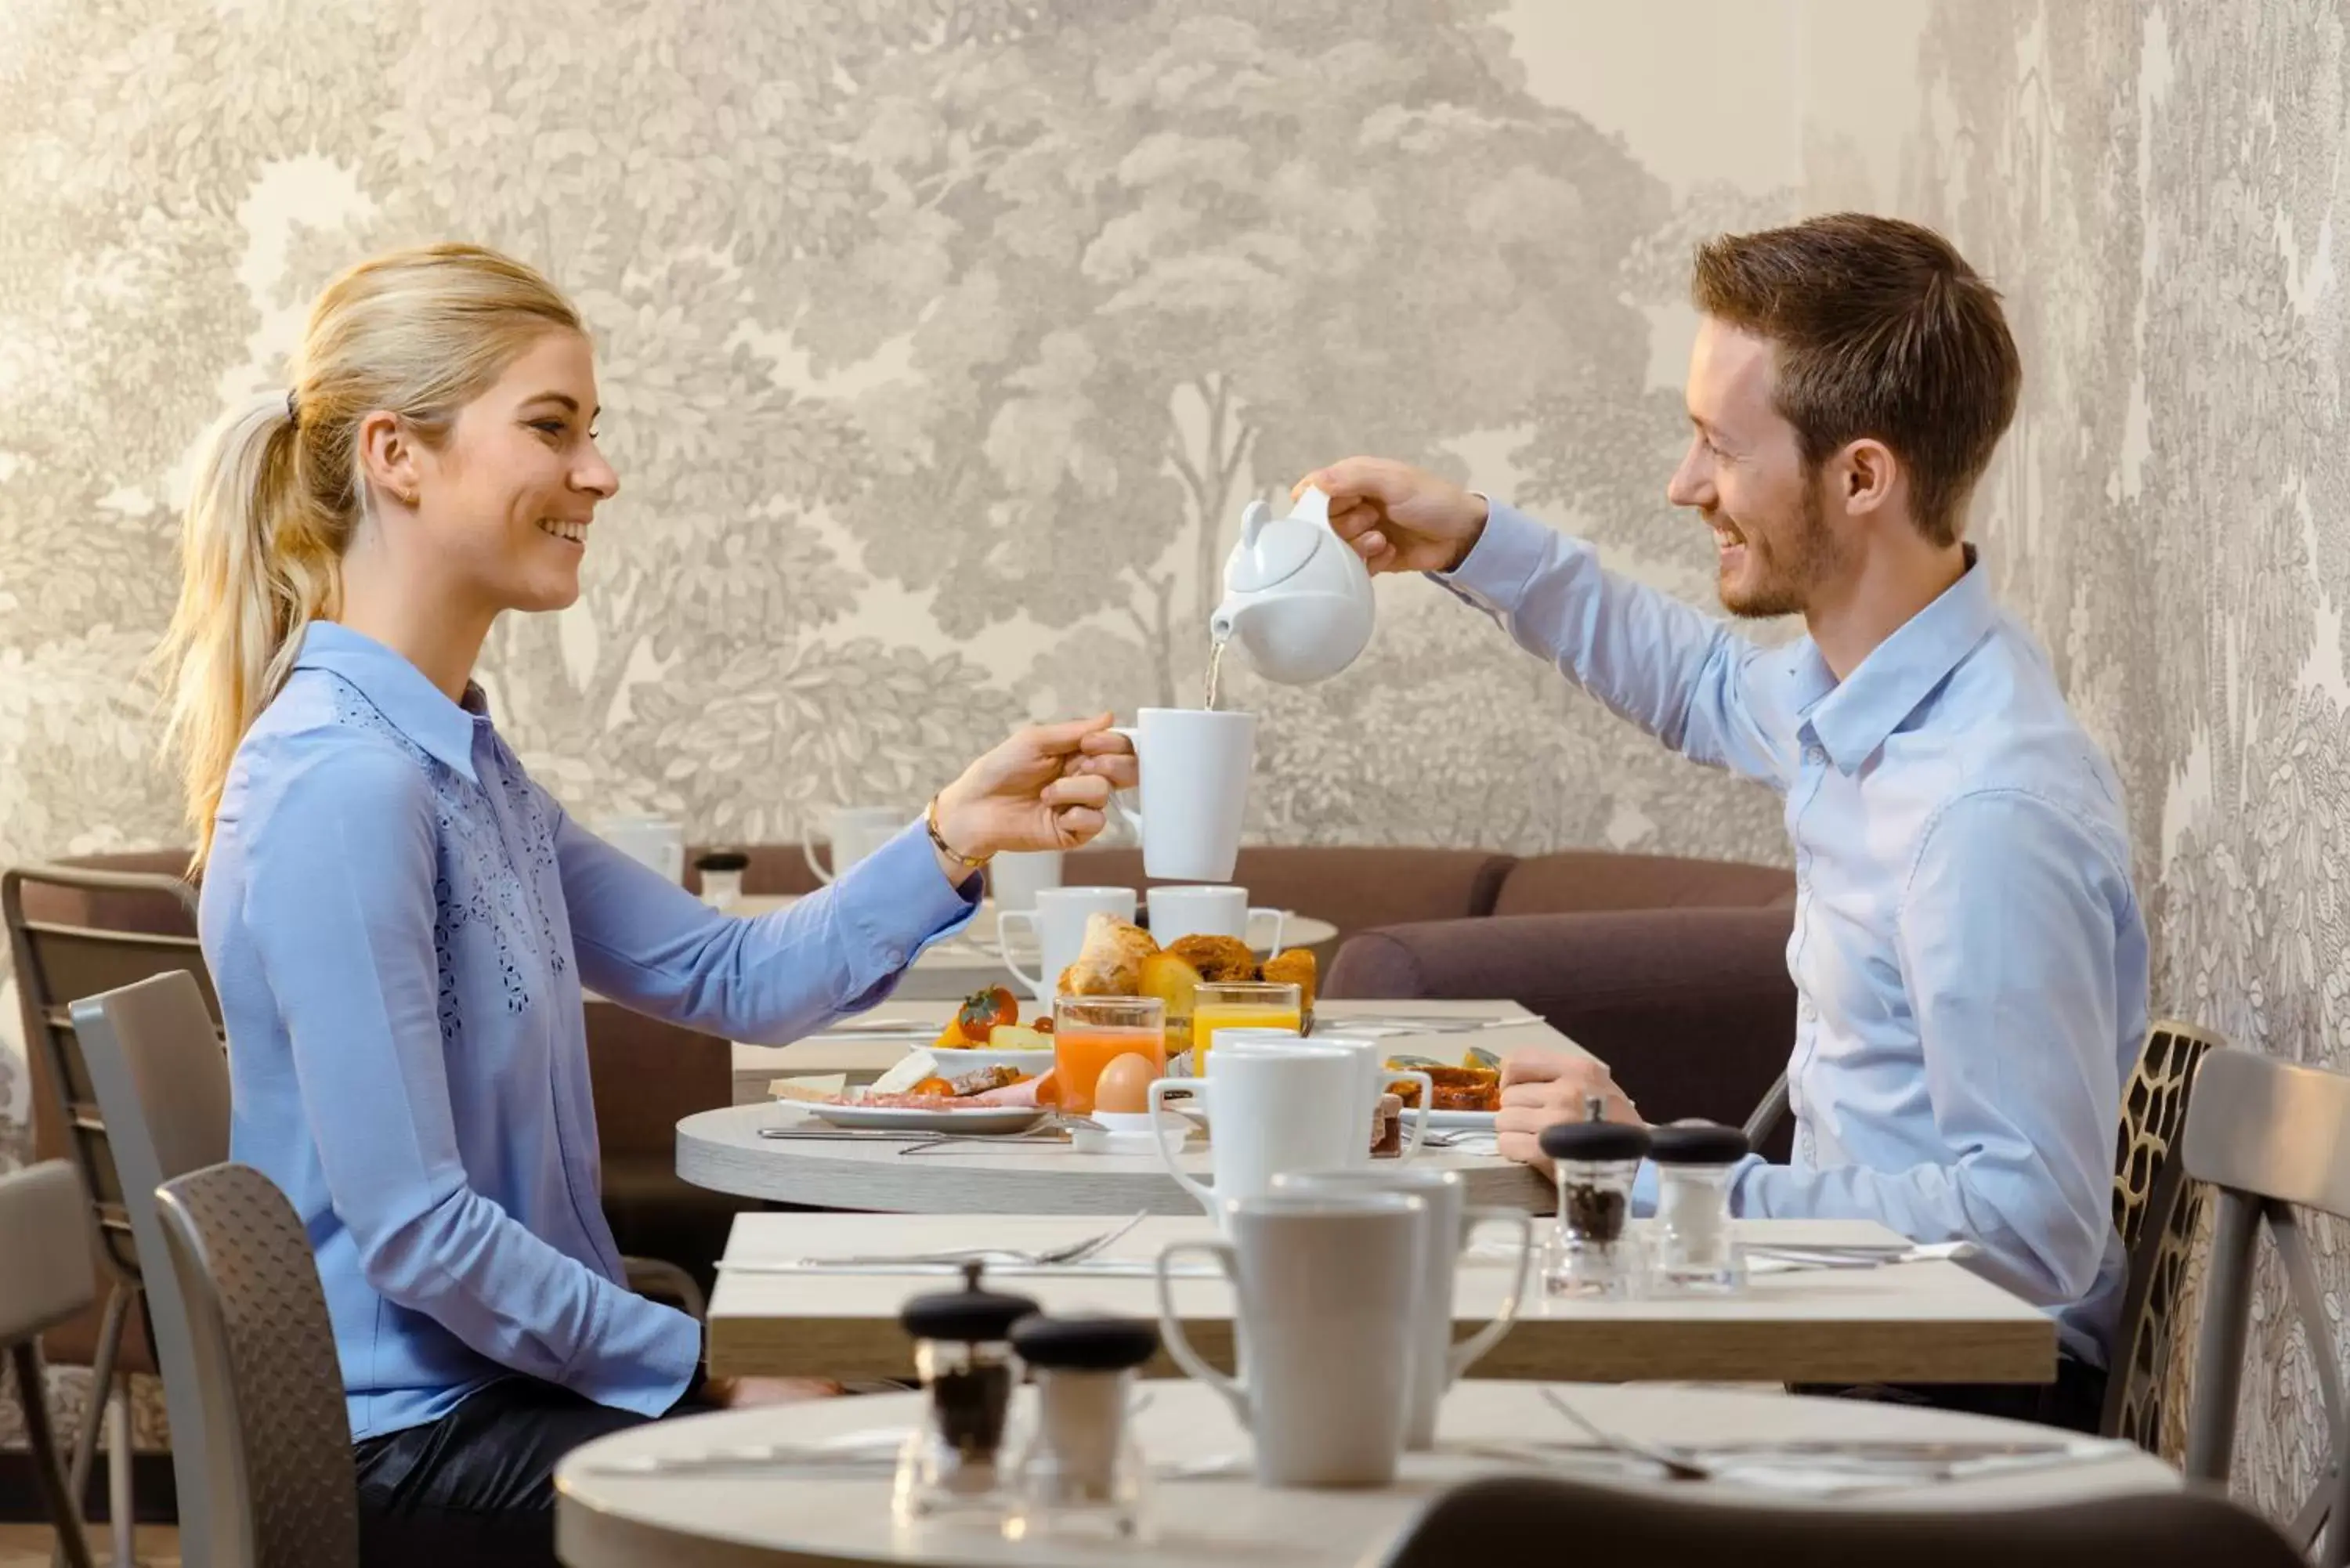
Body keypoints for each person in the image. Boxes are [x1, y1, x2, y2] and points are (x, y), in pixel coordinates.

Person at [154, 243, 1136, 1555]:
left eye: (594, 433)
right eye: (552, 429)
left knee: (951, 1445)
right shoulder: (345, 786)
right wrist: (709, 1364)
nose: (600, 474)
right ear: (397, 454)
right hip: (410, 1444)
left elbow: (739, 980)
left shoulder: (461, 763)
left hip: (510, 1396)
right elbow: (417, 1231)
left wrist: (954, 834)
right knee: (918, 1486)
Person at [1300, 213, 2146, 1433]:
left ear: (1861, 477)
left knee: (1444, 1439)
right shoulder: (1874, 692)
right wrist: (1471, 537)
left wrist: (1660, 1178)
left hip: (1948, 1402)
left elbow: (2026, 1234)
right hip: (1847, 1333)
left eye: (1718, 447)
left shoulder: (1985, 813)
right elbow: (1698, 683)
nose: (1685, 484)